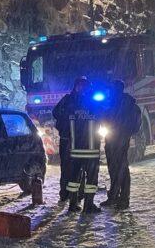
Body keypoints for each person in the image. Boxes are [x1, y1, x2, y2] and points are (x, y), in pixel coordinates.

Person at [58, 78, 103, 214]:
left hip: (75, 148)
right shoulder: (94, 104)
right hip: (91, 149)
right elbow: (105, 116)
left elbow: (58, 115)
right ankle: (88, 205)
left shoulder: (70, 104)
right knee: (91, 179)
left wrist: (64, 131)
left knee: (73, 178)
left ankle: (72, 204)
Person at [102, 80, 140, 210]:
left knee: (121, 169)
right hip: (111, 139)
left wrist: (127, 132)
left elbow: (136, 120)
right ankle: (114, 196)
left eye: (113, 89)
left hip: (121, 139)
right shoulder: (112, 103)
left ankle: (123, 199)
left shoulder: (127, 103)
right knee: (113, 168)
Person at [52, 76, 89, 203]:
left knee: (77, 167)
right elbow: (56, 112)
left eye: (84, 86)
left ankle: (75, 193)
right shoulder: (69, 100)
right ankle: (68, 193)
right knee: (70, 167)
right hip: (70, 139)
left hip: (77, 139)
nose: (82, 88)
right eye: (80, 85)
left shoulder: (79, 100)